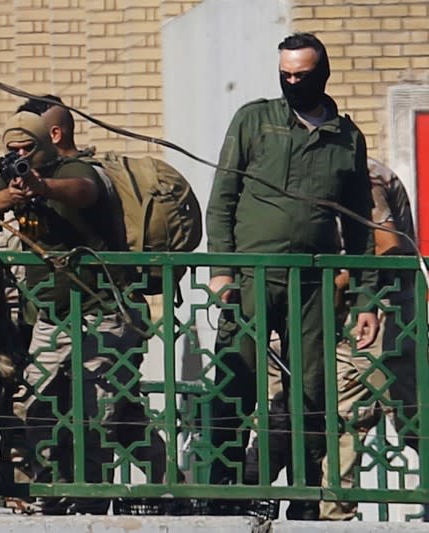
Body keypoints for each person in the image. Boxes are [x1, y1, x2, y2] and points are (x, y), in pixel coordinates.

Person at [205, 33, 379, 520]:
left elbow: (360, 222)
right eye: (285, 74)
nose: (292, 83)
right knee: (234, 384)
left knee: (312, 390)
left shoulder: (346, 136)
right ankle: (223, 493)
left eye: (302, 75)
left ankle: (304, 498)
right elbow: (223, 199)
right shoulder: (255, 120)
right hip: (252, 279)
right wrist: (222, 270)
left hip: (313, 283)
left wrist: (365, 298)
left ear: (322, 74)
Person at [0, 111, 167, 515]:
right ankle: (52, 491)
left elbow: (83, 190)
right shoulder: (13, 177)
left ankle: (97, 497)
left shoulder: (72, 167)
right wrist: (11, 195)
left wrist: (44, 187)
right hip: (53, 316)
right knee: (40, 404)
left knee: (100, 413)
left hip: (103, 309)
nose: (20, 157)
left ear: (45, 145)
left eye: (27, 149)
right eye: (13, 151)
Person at [319, 159, 418, 520]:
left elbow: (388, 245)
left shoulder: (360, 175)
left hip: (383, 317)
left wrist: (344, 282)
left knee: (413, 420)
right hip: (365, 319)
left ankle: (334, 512)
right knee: (346, 421)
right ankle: (333, 514)